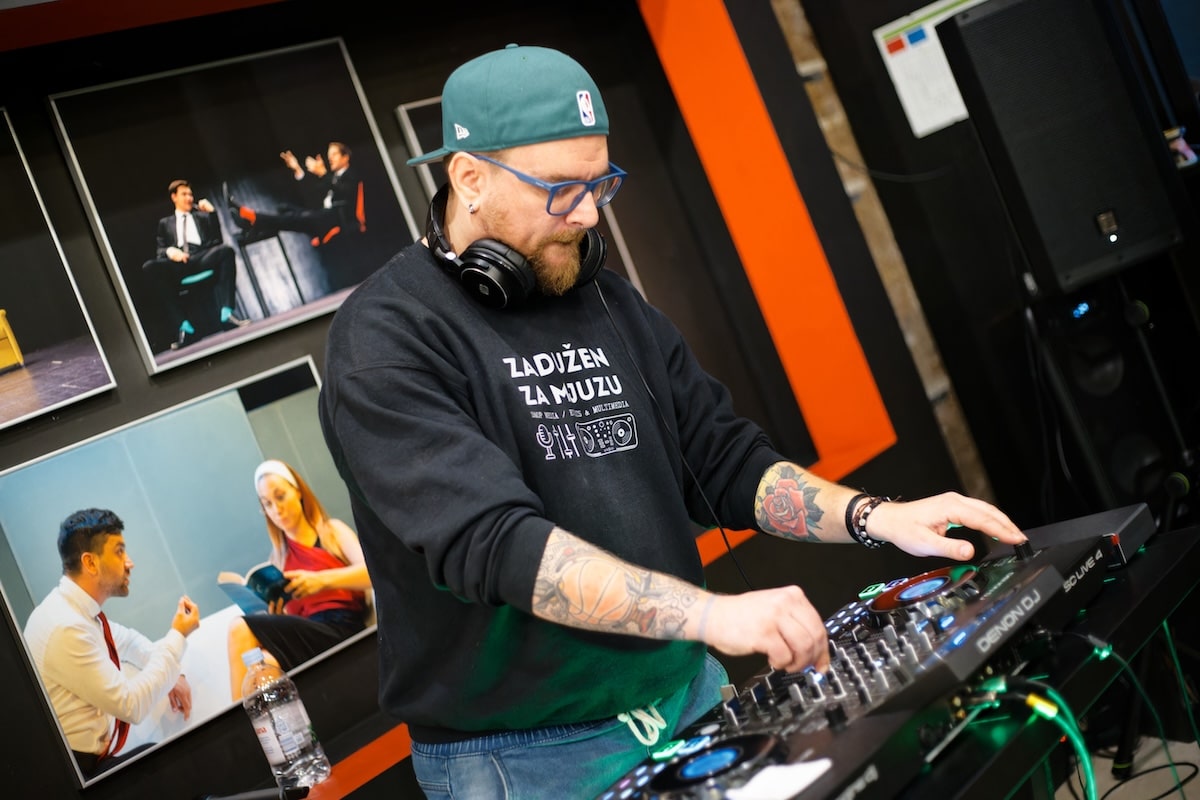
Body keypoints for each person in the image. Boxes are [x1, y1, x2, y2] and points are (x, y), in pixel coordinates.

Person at [317, 44, 1029, 798]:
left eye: (599, 183)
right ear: (469, 177)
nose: (588, 214)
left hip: (688, 694)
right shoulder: (384, 339)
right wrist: (710, 616)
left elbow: (723, 460)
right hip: (526, 757)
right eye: (560, 189)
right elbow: (496, 546)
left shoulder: (605, 296)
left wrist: (875, 517)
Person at [22, 508, 200, 778]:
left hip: (88, 762)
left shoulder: (75, 611)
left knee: (164, 759)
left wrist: (174, 676)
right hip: (73, 775)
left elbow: (127, 642)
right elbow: (131, 705)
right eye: (119, 552)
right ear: (90, 563)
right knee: (170, 764)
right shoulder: (65, 627)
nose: (130, 563)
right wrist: (177, 636)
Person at [224, 459, 372, 700]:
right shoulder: (276, 560)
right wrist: (276, 614)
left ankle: (238, 721)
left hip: (341, 629)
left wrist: (321, 581)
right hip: (306, 637)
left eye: (280, 496)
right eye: (267, 504)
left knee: (239, 627)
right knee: (262, 667)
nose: (276, 509)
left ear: (298, 492)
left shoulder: (331, 532)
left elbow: (373, 573)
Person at [140, 178, 247, 351]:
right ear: (174, 197)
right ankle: (184, 327)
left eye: (190, 194)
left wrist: (212, 214)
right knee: (150, 267)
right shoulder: (165, 223)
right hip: (178, 265)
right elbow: (160, 251)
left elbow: (217, 242)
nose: (189, 198)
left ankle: (227, 315)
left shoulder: (202, 217)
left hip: (201, 258)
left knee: (226, 251)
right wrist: (170, 252)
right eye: (184, 194)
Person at [228, 141, 367, 248]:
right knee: (285, 209)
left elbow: (344, 191)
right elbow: (312, 194)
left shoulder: (352, 175)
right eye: (329, 155)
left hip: (335, 221)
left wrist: (324, 174)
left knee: (297, 217)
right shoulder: (333, 177)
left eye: (334, 154)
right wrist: (298, 169)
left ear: (345, 157)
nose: (330, 158)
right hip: (322, 216)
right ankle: (254, 227)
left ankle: (250, 217)